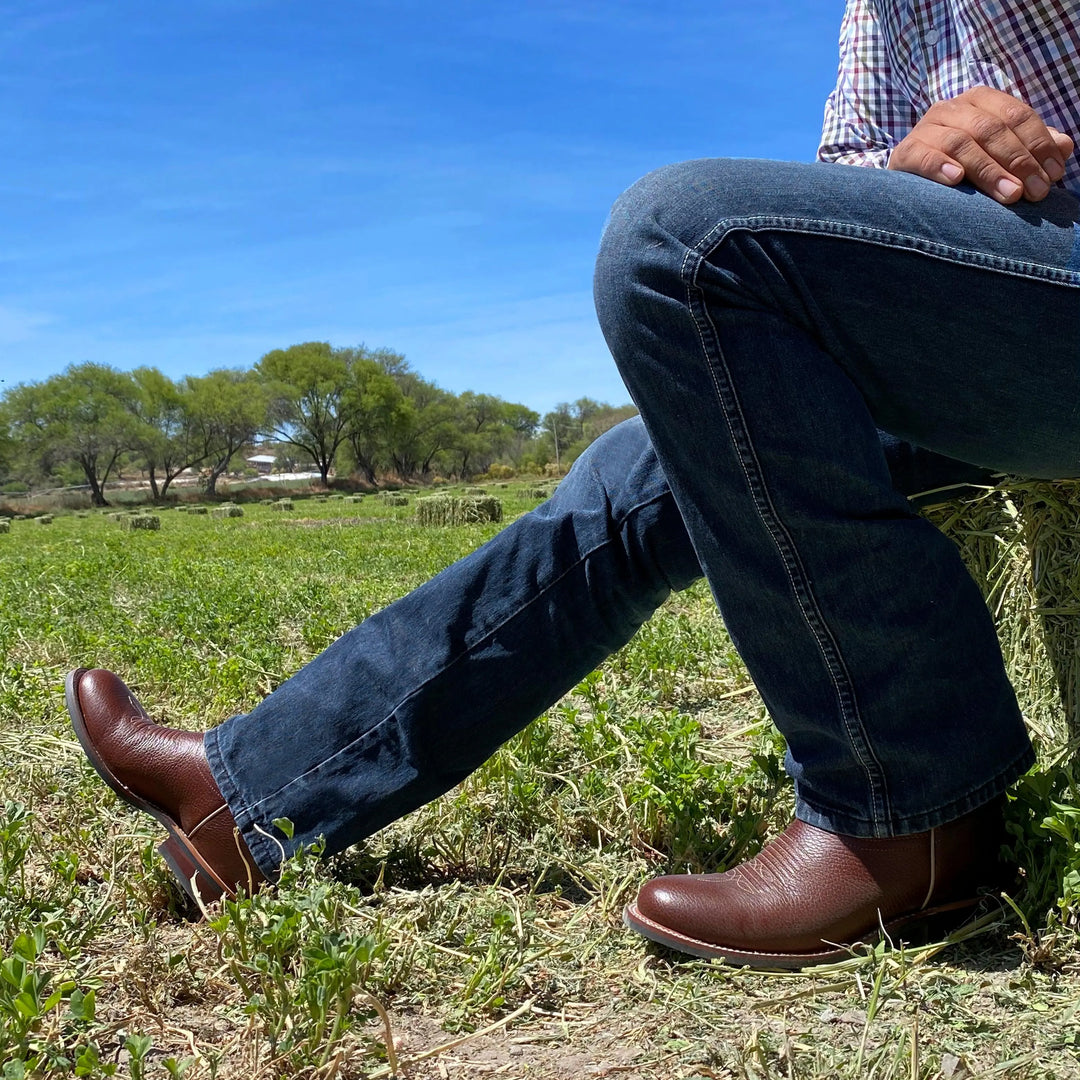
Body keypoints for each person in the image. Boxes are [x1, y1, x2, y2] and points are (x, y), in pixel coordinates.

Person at [67, 0, 1080, 969]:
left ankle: (912, 806)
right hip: (982, 325)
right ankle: (253, 798)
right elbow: (851, 184)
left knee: (685, 240)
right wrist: (926, 158)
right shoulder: (883, 9)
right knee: (631, 475)